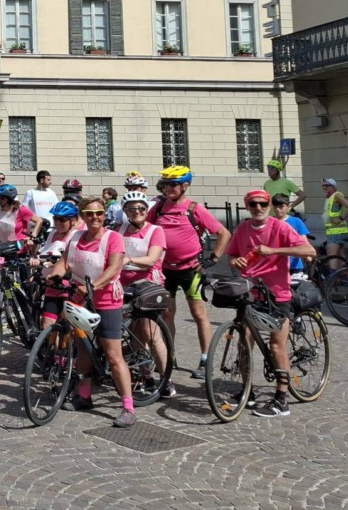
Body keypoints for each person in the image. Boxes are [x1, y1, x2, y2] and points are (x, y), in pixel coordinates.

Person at [227, 190, 316, 418]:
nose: (258, 208)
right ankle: (247, 390)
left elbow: (309, 250)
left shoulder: (280, 227)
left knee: (277, 346)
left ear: (268, 205)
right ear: (247, 206)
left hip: (277, 294)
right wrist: (234, 261)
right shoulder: (243, 228)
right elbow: (232, 255)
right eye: (253, 204)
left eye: (262, 203)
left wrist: (274, 250)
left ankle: (281, 399)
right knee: (244, 342)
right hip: (251, 293)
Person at [52, 195, 134, 427]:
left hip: (106, 299)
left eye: (98, 213)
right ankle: (84, 396)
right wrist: (55, 274)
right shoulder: (76, 236)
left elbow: (114, 267)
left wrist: (91, 288)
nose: (94, 217)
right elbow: (65, 262)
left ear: (104, 214)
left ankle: (128, 407)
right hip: (79, 299)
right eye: (89, 213)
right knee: (83, 349)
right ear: (82, 216)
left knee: (113, 355)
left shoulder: (113, 238)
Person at [148, 166, 229, 384]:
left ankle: (205, 360)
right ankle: (169, 355)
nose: (168, 188)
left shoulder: (194, 208)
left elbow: (223, 233)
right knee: (167, 313)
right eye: (165, 184)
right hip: (166, 269)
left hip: (190, 269)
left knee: (199, 314)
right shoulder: (158, 209)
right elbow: (146, 229)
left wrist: (212, 259)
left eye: (173, 184)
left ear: (185, 185)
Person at [116, 190, 168, 395]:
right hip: (123, 284)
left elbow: (152, 259)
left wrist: (127, 260)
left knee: (150, 333)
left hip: (147, 283)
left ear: (147, 210)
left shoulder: (155, 230)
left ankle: (166, 378)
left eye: (141, 208)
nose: (136, 211)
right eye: (131, 209)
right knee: (134, 334)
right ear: (125, 211)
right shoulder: (119, 230)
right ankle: (145, 376)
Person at [36, 200, 82, 328]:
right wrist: (35, 258)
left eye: (62, 220)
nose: (57, 223)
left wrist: (50, 262)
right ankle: (51, 348)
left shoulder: (76, 236)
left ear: (72, 220)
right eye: (55, 219)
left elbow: (72, 260)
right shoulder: (52, 234)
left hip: (68, 288)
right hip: (52, 285)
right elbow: (43, 251)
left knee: (68, 327)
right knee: (47, 325)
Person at [271, 194, 311, 278]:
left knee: (295, 289)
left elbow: (304, 241)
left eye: (281, 207)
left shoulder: (296, 221)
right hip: (276, 264)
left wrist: (307, 255)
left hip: (295, 265)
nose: (278, 210)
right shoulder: (270, 222)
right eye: (276, 207)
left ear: (288, 207)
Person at [320, 178, 348, 267]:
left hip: (335, 230)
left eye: (326, 186)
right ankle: (344, 277)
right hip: (336, 230)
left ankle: (333, 277)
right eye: (323, 186)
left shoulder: (336, 195)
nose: (324, 188)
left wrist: (341, 218)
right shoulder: (330, 197)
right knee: (340, 255)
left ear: (333, 186)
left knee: (331, 254)